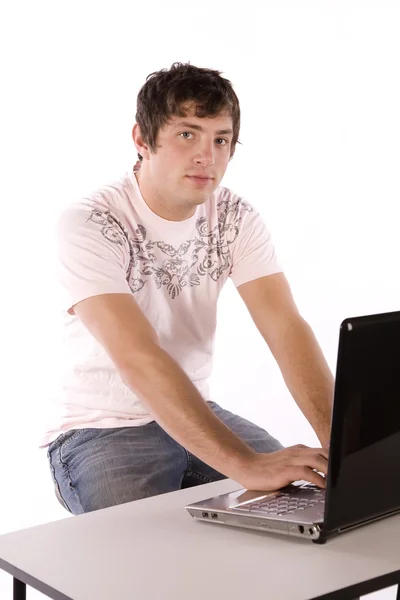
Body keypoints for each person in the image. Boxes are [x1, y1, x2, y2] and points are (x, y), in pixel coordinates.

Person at [43, 62, 333, 515]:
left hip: (199, 411)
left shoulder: (235, 217)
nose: (207, 156)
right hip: (102, 429)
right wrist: (246, 465)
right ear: (142, 140)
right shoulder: (91, 222)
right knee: (144, 565)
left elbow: (286, 328)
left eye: (221, 139)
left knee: (315, 505)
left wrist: (343, 445)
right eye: (187, 135)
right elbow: (138, 356)